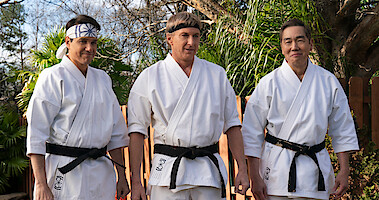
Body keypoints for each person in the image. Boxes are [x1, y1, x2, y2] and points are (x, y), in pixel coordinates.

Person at [127, 12, 249, 200]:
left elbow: (232, 125)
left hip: (207, 173)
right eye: (185, 36)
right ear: (169, 39)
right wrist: (136, 182)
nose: (191, 42)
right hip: (167, 173)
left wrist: (242, 168)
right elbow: (137, 132)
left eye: (196, 36)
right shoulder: (150, 77)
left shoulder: (216, 75)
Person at [241, 18, 359, 200]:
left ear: (310, 44)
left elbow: (342, 129)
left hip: (315, 174)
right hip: (276, 174)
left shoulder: (328, 82)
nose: (294, 46)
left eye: (300, 40)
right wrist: (254, 176)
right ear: (282, 46)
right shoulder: (268, 83)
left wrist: (344, 171)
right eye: (288, 41)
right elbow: (251, 132)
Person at [26, 15, 130, 200]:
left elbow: (115, 133)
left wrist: (122, 176)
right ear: (68, 41)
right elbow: (37, 133)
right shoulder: (52, 77)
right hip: (64, 171)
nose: (89, 48)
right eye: (83, 41)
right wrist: (41, 183)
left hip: (101, 173)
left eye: (93, 42)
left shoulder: (103, 79)